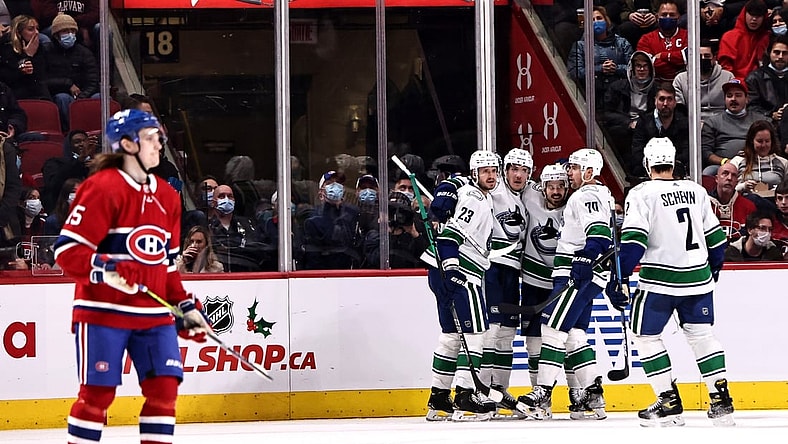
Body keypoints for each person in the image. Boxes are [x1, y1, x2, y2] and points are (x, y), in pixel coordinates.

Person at [52, 109, 211, 443]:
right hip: (103, 313)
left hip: (153, 317)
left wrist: (184, 307)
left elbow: (166, 266)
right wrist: (107, 267)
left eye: (160, 138)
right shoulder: (101, 188)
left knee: (165, 391)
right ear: (126, 143)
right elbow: (66, 252)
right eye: (151, 138)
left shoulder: (168, 195)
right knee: (97, 396)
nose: (159, 145)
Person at [606, 137, 733, 427]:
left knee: (645, 337)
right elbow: (716, 240)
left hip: (659, 281)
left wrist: (620, 276)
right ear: (673, 161)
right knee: (702, 336)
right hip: (698, 279)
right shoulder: (696, 190)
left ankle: (668, 400)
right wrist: (712, 271)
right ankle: (721, 399)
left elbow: (635, 241)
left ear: (647, 163)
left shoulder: (641, 193)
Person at [518, 148, 612, 421]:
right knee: (574, 335)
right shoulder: (600, 193)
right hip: (584, 273)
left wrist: (584, 257)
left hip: (576, 272)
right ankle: (593, 397)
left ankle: (542, 392)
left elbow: (599, 232)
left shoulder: (586, 195)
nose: (568, 172)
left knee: (553, 329)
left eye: (573, 168)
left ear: (589, 172)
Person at [424, 150, 499, 422]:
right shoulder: (475, 198)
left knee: (450, 336)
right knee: (476, 334)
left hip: (439, 269)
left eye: (493, 170)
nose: (490, 176)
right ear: (474, 173)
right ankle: (467, 394)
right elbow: (449, 238)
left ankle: (439, 397)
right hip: (460, 270)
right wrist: (453, 269)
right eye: (485, 171)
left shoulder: (471, 191)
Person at [478, 148, 531, 418]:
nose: (518, 174)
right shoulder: (495, 189)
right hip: (493, 268)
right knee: (492, 331)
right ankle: (482, 392)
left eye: (523, 170)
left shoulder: (526, 197)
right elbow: (471, 186)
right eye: (513, 169)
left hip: (513, 272)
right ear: (503, 171)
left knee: (508, 335)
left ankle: (500, 391)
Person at [519, 162, 570, 419]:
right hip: (532, 281)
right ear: (543, 187)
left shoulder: (573, 210)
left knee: (565, 340)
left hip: (560, 285)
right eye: (551, 186)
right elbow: (513, 177)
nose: (556, 190)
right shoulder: (531, 198)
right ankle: (539, 399)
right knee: (534, 342)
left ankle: (580, 395)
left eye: (561, 185)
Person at [566, 6, 633, 107]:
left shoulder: (622, 43)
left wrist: (616, 68)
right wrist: (600, 69)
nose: (596, 22)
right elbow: (574, 72)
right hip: (593, 97)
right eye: (592, 20)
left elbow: (633, 69)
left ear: (606, 21)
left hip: (621, 95)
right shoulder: (580, 46)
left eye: (599, 18)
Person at [43, 13, 99, 131]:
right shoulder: (46, 51)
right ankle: (73, 132)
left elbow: (93, 80)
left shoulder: (84, 52)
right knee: (62, 98)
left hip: (84, 94)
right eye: (65, 31)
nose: (70, 35)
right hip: (61, 94)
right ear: (56, 35)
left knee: (100, 97)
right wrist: (67, 84)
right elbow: (44, 80)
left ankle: (97, 133)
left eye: (72, 31)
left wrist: (82, 97)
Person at [600, 50, 657, 163]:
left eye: (645, 66)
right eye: (638, 66)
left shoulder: (656, 90)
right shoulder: (617, 87)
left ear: (650, 69)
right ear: (632, 68)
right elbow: (605, 113)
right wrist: (628, 122)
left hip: (647, 128)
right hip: (624, 129)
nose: (641, 69)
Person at [701, 79, 765, 176]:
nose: (733, 99)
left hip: (755, 162)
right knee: (707, 172)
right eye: (729, 95)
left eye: (738, 95)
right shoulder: (712, 122)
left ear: (747, 99)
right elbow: (705, 152)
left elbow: (771, 146)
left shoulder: (760, 121)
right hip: (723, 164)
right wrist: (725, 161)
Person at [300, 170, 361, 270]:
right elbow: (312, 258)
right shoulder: (313, 219)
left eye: (338, 183)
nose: (335, 187)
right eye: (329, 184)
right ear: (321, 192)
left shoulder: (352, 215)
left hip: (349, 276)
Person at [630, 82, 690, 178]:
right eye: (662, 99)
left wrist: (669, 166)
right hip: (648, 171)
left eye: (669, 99)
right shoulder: (644, 121)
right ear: (655, 101)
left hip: (675, 171)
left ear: (675, 102)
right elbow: (637, 151)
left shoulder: (683, 122)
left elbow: (686, 152)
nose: (665, 104)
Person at [207, 184, 270, 272]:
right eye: (221, 196)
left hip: (245, 274)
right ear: (213, 203)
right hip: (216, 276)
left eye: (230, 196)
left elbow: (257, 249)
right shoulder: (207, 227)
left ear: (234, 201)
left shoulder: (248, 224)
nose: (226, 200)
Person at [673, 41, 735, 121]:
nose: (703, 59)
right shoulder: (680, 79)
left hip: (722, 124)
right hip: (692, 125)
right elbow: (679, 111)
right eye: (699, 56)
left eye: (707, 56)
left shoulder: (728, 77)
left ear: (714, 58)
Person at [0, 14, 51, 101]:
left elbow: (40, 77)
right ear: (18, 33)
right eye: (31, 29)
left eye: (37, 28)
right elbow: (9, 79)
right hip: (14, 96)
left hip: (37, 94)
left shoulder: (40, 48)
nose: (37, 32)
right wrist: (27, 56)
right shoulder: (5, 48)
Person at [718, 0, 771, 80]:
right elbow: (726, 68)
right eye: (751, 14)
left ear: (764, 17)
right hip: (735, 85)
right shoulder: (729, 37)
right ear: (744, 14)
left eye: (758, 16)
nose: (754, 19)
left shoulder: (768, 38)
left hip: (760, 85)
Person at [636, 0, 688, 82]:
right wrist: (677, 61)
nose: (668, 17)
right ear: (657, 17)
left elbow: (689, 57)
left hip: (684, 81)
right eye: (664, 15)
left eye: (672, 15)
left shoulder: (688, 36)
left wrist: (663, 56)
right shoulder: (646, 39)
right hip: (655, 83)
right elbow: (648, 65)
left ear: (678, 17)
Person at [729, 120, 788, 191]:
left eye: (767, 141)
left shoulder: (783, 162)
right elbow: (726, 188)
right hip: (746, 199)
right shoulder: (738, 160)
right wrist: (742, 186)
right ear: (751, 141)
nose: (763, 145)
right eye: (759, 141)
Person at [746, 36, 788, 129]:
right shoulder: (755, 78)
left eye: (785, 53)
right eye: (776, 52)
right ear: (769, 53)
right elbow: (752, 108)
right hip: (766, 126)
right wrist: (772, 115)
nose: (780, 57)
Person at [708, 162, 757, 241]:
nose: (729, 178)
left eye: (734, 175)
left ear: (737, 182)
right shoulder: (705, 205)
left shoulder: (748, 206)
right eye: (725, 173)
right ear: (716, 179)